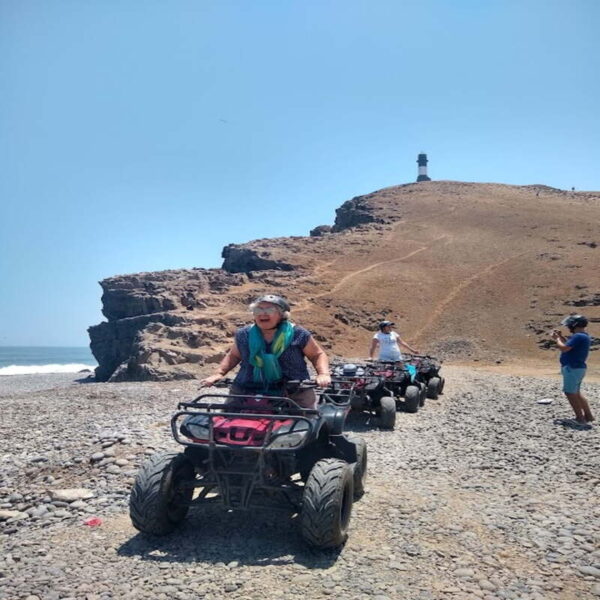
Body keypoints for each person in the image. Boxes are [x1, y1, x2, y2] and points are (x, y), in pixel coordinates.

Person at [199, 294, 331, 408]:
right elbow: (233, 355)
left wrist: (323, 374)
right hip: (246, 388)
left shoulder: (298, 333)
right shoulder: (244, 334)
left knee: (306, 426)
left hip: (294, 390)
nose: (263, 313)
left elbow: (317, 355)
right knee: (226, 425)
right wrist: (219, 373)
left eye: (270, 309)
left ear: (282, 315)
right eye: (258, 310)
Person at [551, 314, 594, 425]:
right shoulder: (583, 336)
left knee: (570, 393)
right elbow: (569, 345)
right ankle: (588, 416)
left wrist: (557, 340)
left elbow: (564, 348)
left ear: (574, 325)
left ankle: (579, 419)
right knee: (577, 393)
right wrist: (561, 338)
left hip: (572, 368)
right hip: (578, 368)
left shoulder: (578, 336)